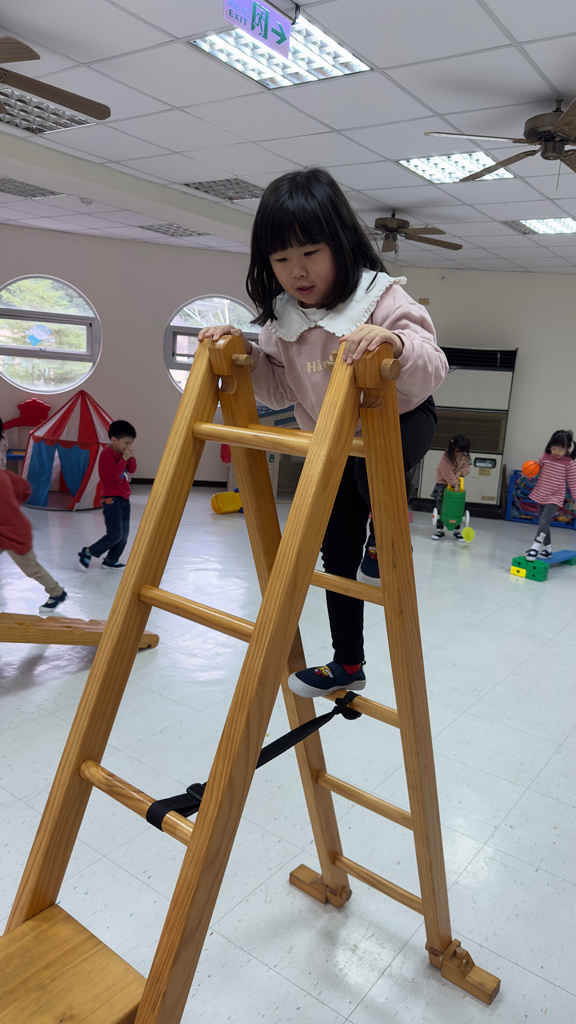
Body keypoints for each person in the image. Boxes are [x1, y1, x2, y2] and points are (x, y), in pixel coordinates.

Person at [198, 167, 448, 698]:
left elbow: (433, 366)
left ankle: (385, 539)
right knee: (335, 555)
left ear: (339, 244)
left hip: (401, 421)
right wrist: (241, 355)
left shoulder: (382, 298)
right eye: (280, 259)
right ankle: (348, 663)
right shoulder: (282, 319)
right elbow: (278, 392)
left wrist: (396, 345)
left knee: (370, 472)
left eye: (310, 252)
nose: (297, 271)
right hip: (333, 446)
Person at [0, 468, 67, 612]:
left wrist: (11, 510)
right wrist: (14, 505)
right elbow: (24, 487)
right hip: (10, 528)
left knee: (31, 569)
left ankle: (57, 593)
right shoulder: (3, 473)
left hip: (14, 533)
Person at [79, 420, 137, 570]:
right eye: (126, 443)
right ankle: (88, 551)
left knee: (124, 535)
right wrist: (123, 459)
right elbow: (112, 477)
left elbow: (132, 469)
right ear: (113, 440)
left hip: (124, 498)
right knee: (115, 534)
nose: (128, 446)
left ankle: (111, 560)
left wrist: (129, 457)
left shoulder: (122, 453)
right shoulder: (107, 454)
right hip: (111, 499)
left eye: (131, 443)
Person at [525, 429, 576, 561]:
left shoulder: (570, 462)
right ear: (550, 446)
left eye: (560, 449)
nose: (556, 452)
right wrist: (529, 473)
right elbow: (536, 467)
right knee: (544, 522)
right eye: (554, 448)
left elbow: (573, 481)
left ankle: (535, 547)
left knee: (543, 520)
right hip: (542, 492)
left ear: (567, 448)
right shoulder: (546, 456)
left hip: (555, 496)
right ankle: (547, 549)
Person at [430, 434, 471, 543]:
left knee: (456, 508)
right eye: (457, 450)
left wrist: (460, 472)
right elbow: (446, 472)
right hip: (443, 485)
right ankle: (439, 530)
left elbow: (466, 467)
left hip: (456, 485)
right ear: (452, 447)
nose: (458, 453)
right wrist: (455, 484)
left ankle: (457, 531)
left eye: (461, 451)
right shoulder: (446, 456)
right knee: (441, 508)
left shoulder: (463, 457)